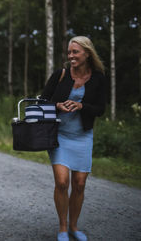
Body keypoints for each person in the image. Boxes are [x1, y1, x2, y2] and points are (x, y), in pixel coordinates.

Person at [41, 36, 107, 241]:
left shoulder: (98, 78)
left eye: (75, 52)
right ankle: (62, 228)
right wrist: (57, 106)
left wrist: (81, 106)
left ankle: (74, 227)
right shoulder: (60, 75)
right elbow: (42, 101)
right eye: (69, 52)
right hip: (59, 135)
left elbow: (101, 109)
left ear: (87, 53)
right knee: (62, 182)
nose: (71, 56)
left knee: (79, 184)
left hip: (83, 137)